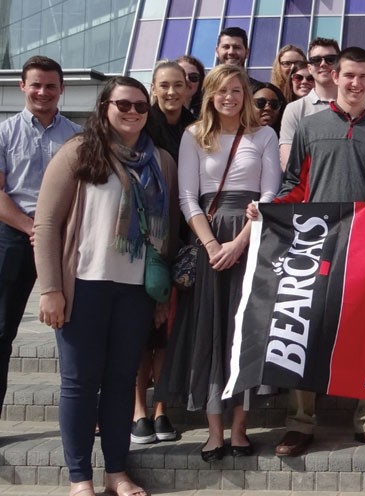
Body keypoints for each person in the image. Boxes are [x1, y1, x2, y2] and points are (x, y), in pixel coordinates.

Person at [262, 46, 365, 456]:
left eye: (363, 76)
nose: (356, 82)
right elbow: (295, 184)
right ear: (335, 76)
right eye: (349, 75)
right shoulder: (311, 126)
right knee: (304, 330)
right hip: (315, 247)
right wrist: (267, 209)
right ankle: (299, 423)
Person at [34, 76, 178, 496]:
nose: (132, 113)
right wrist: (50, 288)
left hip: (135, 290)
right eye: (123, 105)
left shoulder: (160, 161)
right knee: (79, 384)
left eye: (140, 107)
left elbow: (166, 235)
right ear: (104, 107)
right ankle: (80, 478)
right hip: (85, 285)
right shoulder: (78, 153)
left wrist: (160, 296)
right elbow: (46, 225)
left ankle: (117, 471)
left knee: (120, 384)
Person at [159, 64, 280, 463]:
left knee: (243, 332)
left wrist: (240, 243)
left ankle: (241, 429)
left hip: (251, 237)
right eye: (221, 91)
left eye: (236, 90)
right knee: (208, 332)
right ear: (209, 95)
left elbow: (269, 194)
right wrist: (212, 245)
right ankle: (214, 431)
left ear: (245, 94)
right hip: (208, 237)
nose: (229, 97)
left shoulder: (264, 134)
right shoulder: (195, 136)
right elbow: (187, 197)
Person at [0, 55, 81, 419]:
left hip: (64, 239)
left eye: (50, 85)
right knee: (1, 332)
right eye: (36, 84)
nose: (43, 92)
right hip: (13, 235)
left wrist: (51, 231)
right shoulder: (4, 132)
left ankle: (83, 416)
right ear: (22, 86)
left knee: (77, 330)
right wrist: (32, 228)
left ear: (62, 89)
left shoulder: (77, 137)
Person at [129, 60, 196, 445]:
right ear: (153, 87)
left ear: (189, 88)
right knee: (142, 329)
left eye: (179, 85)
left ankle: (162, 409)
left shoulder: (195, 126)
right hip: (143, 238)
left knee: (169, 330)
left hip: (183, 238)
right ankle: (138, 409)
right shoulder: (141, 123)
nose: (172, 92)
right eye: (164, 85)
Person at [278, 37, 339, 167]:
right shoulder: (295, 109)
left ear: (339, 64)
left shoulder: (359, 105)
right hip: (309, 186)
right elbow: (288, 162)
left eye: (330, 59)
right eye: (316, 60)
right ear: (309, 67)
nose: (323, 64)